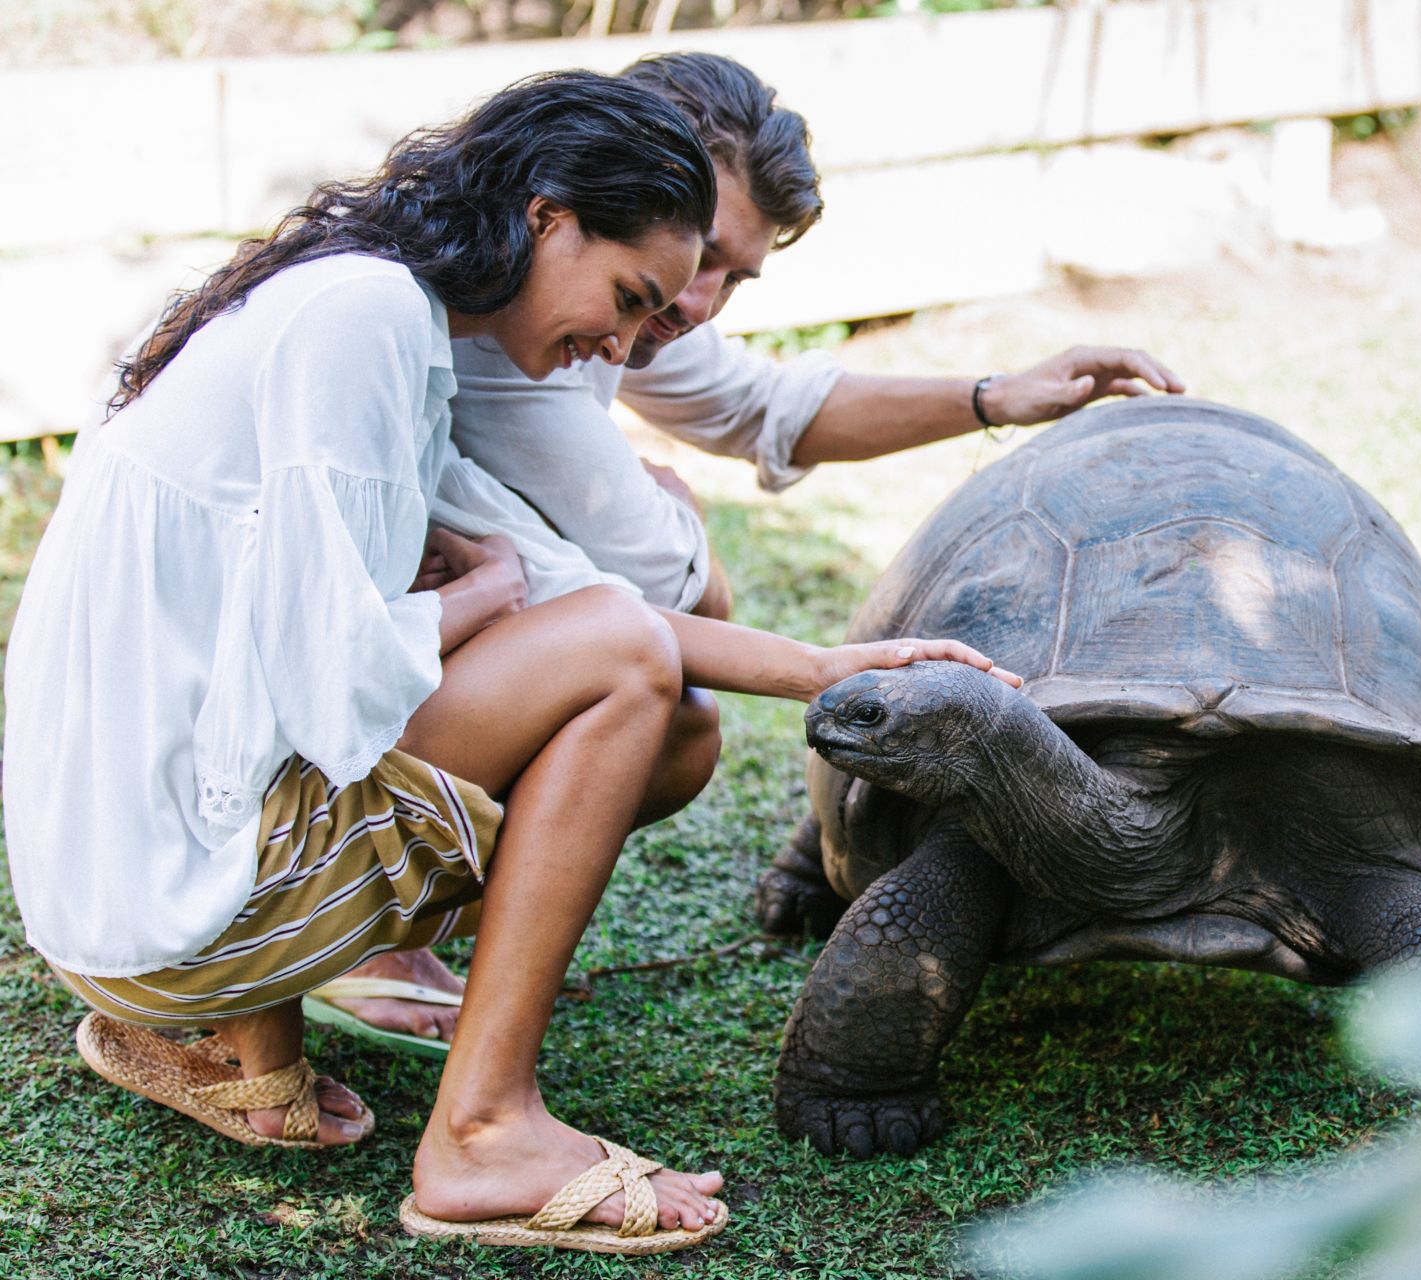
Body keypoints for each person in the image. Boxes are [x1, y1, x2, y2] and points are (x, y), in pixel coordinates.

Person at [2, 71, 1014, 1258]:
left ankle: (239, 1038)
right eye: (631, 298)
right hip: (162, 903)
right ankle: (481, 1128)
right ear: (545, 216)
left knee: (628, 656)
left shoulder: (372, 309)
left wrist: (831, 666)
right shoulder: (365, 320)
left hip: (119, 901)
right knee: (624, 663)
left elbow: (561, 593)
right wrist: (477, 596)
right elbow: (338, 675)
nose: (629, 343)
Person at [325, 50, 1184, 1047]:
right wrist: (686, 524)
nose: (702, 303)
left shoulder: (612, 294)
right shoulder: (507, 332)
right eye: (705, 258)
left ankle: (392, 926)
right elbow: (667, 588)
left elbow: (756, 402)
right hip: (334, 693)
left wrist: (997, 396)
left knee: (675, 712)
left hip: (411, 651)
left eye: (734, 274)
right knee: (651, 691)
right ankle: (359, 934)